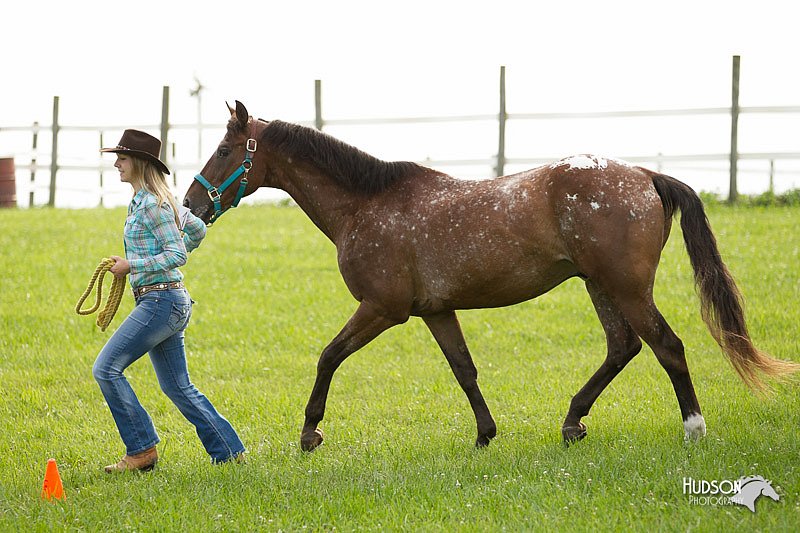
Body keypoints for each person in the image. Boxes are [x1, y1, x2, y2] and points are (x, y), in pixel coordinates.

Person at [93, 129, 245, 472]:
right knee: (177, 386)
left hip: (160, 303)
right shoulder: (156, 201)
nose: (117, 163)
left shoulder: (154, 205)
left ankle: (141, 449)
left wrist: (133, 265)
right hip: (167, 302)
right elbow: (197, 231)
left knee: (106, 369)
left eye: (123, 158)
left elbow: (177, 253)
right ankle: (228, 450)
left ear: (141, 163)